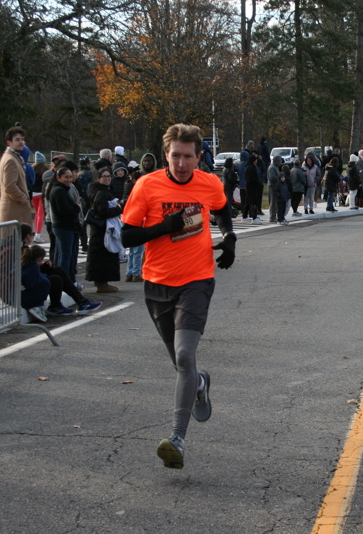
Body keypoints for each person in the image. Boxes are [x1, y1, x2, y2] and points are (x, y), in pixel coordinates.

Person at [120, 123, 236, 470]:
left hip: (197, 280)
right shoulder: (147, 185)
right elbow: (127, 236)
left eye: (188, 156)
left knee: (186, 355)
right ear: (166, 155)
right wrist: (164, 228)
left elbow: (222, 208)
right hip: (157, 284)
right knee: (181, 365)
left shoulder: (209, 183)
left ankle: (177, 439)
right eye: (175, 156)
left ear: (199, 157)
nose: (182, 163)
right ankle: (199, 382)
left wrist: (229, 237)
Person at [85, 166, 123, 293]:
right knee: (102, 257)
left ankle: (103, 283)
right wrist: (119, 209)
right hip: (102, 230)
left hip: (101, 229)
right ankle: (101, 284)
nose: (107, 179)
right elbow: (103, 211)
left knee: (104, 257)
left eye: (109, 176)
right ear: (99, 178)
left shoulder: (102, 190)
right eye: (104, 176)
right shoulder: (101, 192)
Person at [0, 127, 33, 228]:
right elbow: (10, 186)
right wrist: (24, 199)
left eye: (22, 139)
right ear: (9, 143)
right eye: (17, 139)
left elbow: (1, 184)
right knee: (14, 238)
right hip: (14, 211)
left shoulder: (12, 158)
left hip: (13, 210)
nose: (21, 142)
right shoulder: (11, 160)